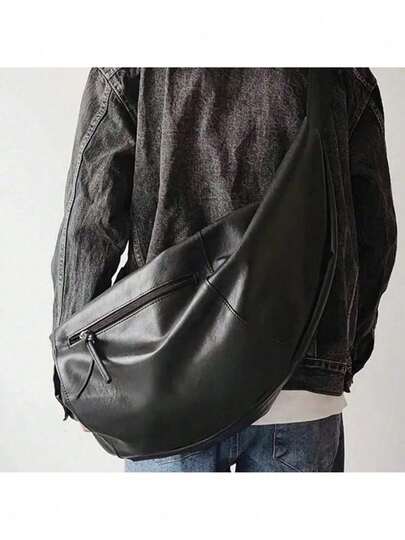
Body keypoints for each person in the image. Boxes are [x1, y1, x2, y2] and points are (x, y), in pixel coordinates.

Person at [51, 68, 397, 472]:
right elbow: (374, 235)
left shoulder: (133, 64)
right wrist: (339, 357)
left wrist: (81, 377)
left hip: (166, 378)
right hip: (300, 381)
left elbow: (90, 225)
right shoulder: (341, 68)